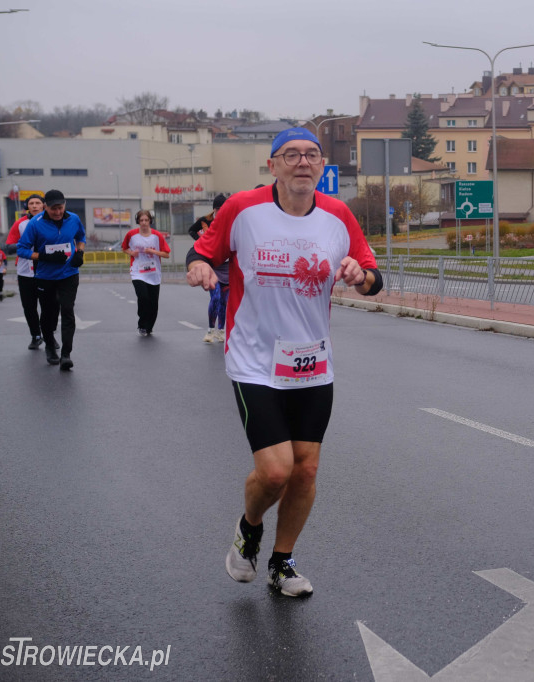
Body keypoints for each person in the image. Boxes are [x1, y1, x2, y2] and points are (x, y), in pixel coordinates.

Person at [186, 127, 383, 597]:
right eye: (290, 155)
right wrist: (198, 265)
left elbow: (373, 276)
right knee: (276, 471)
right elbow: (204, 250)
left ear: (322, 167)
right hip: (254, 361)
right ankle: (250, 526)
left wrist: (362, 276)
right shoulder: (242, 209)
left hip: (313, 363)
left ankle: (281, 562)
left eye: (311, 155)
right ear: (272, 165)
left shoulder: (338, 216)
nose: (302, 162)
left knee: (307, 469)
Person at [15, 189, 86, 371]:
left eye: (60, 208)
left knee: (68, 310)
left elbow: (81, 236)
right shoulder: (35, 224)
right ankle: (49, 345)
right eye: (53, 208)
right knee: (49, 314)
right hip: (45, 276)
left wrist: (80, 251)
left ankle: (66, 355)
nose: (58, 212)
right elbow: (22, 249)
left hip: (69, 273)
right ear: (45, 207)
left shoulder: (73, 219)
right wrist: (43, 256)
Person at [6, 195, 48, 348]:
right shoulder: (20, 223)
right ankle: (36, 335)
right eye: (31, 203)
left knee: (48, 306)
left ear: (44, 205)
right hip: (25, 272)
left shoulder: (50, 221)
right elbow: (9, 246)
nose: (35, 206)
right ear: (27, 206)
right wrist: (25, 246)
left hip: (46, 272)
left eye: (38, 203)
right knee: (29, 307)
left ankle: (49, 335)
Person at [121, 209, 171, 336]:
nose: (144, 223)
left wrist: (153, 252)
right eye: (141, 220)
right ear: (138, 221)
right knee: (143, 297)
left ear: (150, 221)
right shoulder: (131, 234)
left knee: (153, 303)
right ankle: (142, 325)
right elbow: (124, 248)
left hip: (153, 273)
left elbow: (166, 254)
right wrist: (131, 253)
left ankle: (149, 327)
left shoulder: (157, 236)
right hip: (138, 271)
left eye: (146, 220)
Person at [190, 193, 229, 343]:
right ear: (214, 210)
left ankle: (221, 330)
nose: (220, 211)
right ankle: (210, 330)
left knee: (224, 302)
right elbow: (192, 230)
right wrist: (201, 241)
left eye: (223, 208)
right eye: (218, 209)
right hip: (212, 267)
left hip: (227, 267)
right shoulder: (206, 221)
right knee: (216, 298)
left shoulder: (230, 221)